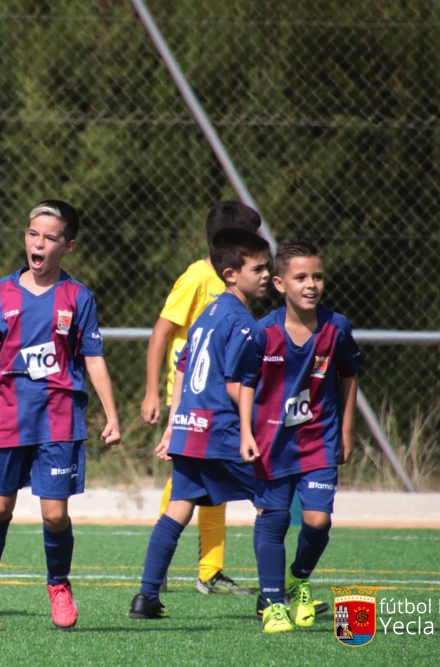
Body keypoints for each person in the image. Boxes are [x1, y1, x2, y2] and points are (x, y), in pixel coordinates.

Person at [0, 199, 121, 632]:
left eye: (50, 238)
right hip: (11, 412)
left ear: (67, 246)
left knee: (54, 514)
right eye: (33, 234)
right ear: (25, 238)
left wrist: (112, 415)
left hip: (59, 413)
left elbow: (92, 358)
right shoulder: (1, 293)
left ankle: (58, 586)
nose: (39, 244)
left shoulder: (77, 296)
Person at [129, 228, 270, 621]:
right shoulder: (242, 322)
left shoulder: (207, 314)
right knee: (271, 503)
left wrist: (175, 424)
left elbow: (183, 366)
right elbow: (235, 383)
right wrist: (259, 419)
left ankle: (145, 597)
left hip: (192, 428)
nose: (264, 275)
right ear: (230, 273)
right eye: (257, 268)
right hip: (221, 431)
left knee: (177, 509)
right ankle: (272, 598)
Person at [237, 239, 363, 634]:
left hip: (319, 439)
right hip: (271, 444)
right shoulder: (262, 333)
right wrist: (245, 431)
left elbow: (349, 374)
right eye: (301, 277)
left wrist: (346, 428)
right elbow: (243, 383)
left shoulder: (336, 327)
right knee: (273, 520)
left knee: (318, 519)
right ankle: (274, 603)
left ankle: (300, 577)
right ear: (279, 283)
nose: (311, 285)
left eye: (318, 277)